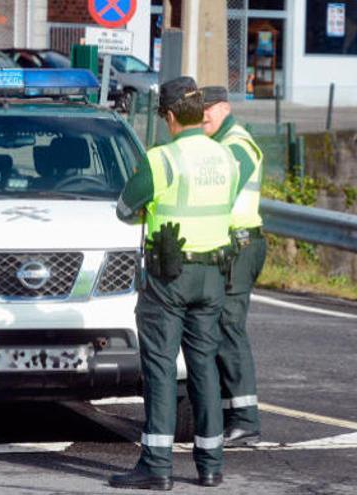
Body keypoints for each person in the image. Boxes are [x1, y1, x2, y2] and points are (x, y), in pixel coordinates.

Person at [109, 77, 254, 491]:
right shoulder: (229, 158)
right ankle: (210, 465)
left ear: (170, 116)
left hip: (169, 276)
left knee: (160, 367)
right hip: (213, 275)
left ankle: (157, 465)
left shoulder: (162, 159)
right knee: (203, 366)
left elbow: (124, 208)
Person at [201, 86, 267, 446]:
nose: (203, 116)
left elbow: (221, 192)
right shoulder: (218, 145)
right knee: (217, 327)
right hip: (227, 245)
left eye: (209, 109)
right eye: (200, 110)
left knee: (229, 326)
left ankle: (245, 419)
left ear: (225, 108)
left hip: (240, 245)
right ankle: (231, 415)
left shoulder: (237, 145)